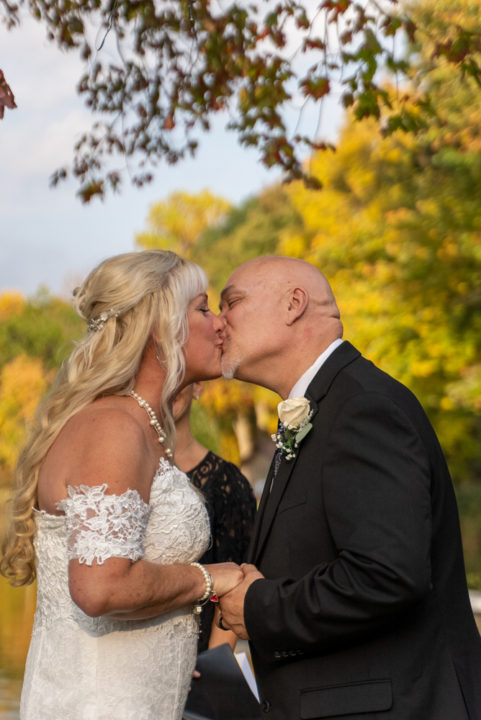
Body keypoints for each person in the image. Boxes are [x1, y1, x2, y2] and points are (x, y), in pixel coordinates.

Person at [217, 255, 481, 719]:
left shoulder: (362, 408)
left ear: (293, 304)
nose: (220, 323)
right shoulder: (325, 406)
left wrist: (260, 607)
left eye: (231, 302)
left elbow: (386, 576)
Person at [0, 250, 243, 720]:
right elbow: (99, 588)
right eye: (203, 308)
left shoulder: (140, 425)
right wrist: (213, 577)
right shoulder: (113, 427)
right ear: (160, 326)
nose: (220, 324)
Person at [173, 382, 256, 652]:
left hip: (196, 665)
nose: (167, 386)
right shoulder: (116, 470)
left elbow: (233, 591)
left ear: (197, 386)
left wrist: (207, 677)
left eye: (178, 373)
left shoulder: (227, 484)